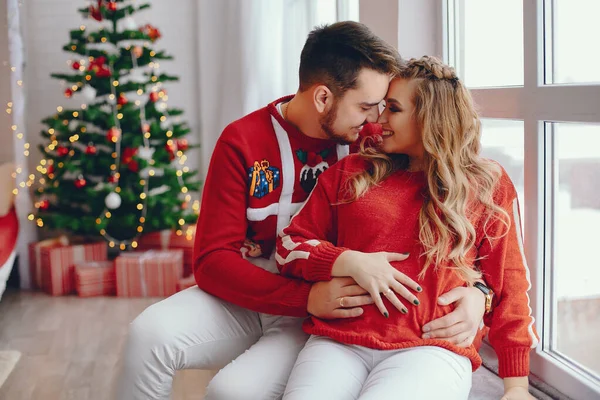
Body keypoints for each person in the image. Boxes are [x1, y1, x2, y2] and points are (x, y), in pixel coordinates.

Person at [115, 23, 488, 400]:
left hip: (335, 307)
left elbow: (460, 197)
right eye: (364, 106)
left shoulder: (376, 141)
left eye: (381, 107)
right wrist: (304, 298)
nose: (375, 119)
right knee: (148, 335)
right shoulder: (242, 140)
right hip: (265, 291)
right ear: (323, 98)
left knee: (232, 392)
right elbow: (212, 260)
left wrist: (479, 292)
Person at [277, 56, 539, 400]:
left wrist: (516, 384)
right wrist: (344, 260)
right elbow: (288, 246)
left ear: (430, 117)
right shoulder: (351, 172)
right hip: (337, 341)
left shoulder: (487, 183)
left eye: (394, 109)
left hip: (431, 348)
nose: (379, 119)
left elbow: (510, 284)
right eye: (382, 106)